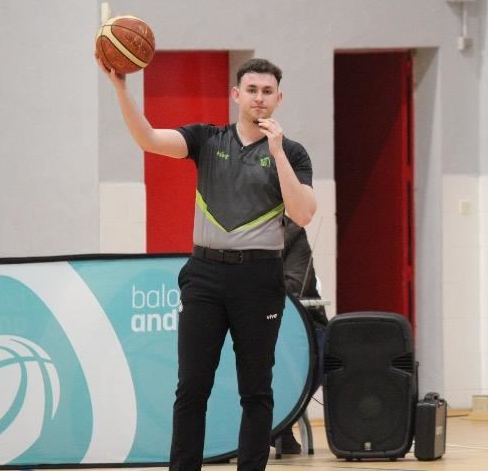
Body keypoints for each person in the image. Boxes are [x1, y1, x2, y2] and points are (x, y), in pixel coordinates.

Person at [97, 56, 316, 471]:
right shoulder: (207, 139)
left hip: (259, 278)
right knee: (192, 387)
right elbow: (148, 139)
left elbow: (303, 213)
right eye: (251, 90)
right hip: (205, 276)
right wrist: (121, 88)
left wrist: (277, 153)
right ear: (236, 95)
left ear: (279, 98)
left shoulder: (292, 152)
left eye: (267, 91)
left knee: (256, 390)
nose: (259, 98)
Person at [271, 216, 328, 454]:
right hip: (245, 322)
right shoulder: (227, 235)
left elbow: (296, 285)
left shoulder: (292, 233)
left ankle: (281, 422)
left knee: (325, 353)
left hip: (302, 323)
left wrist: (254, 284)